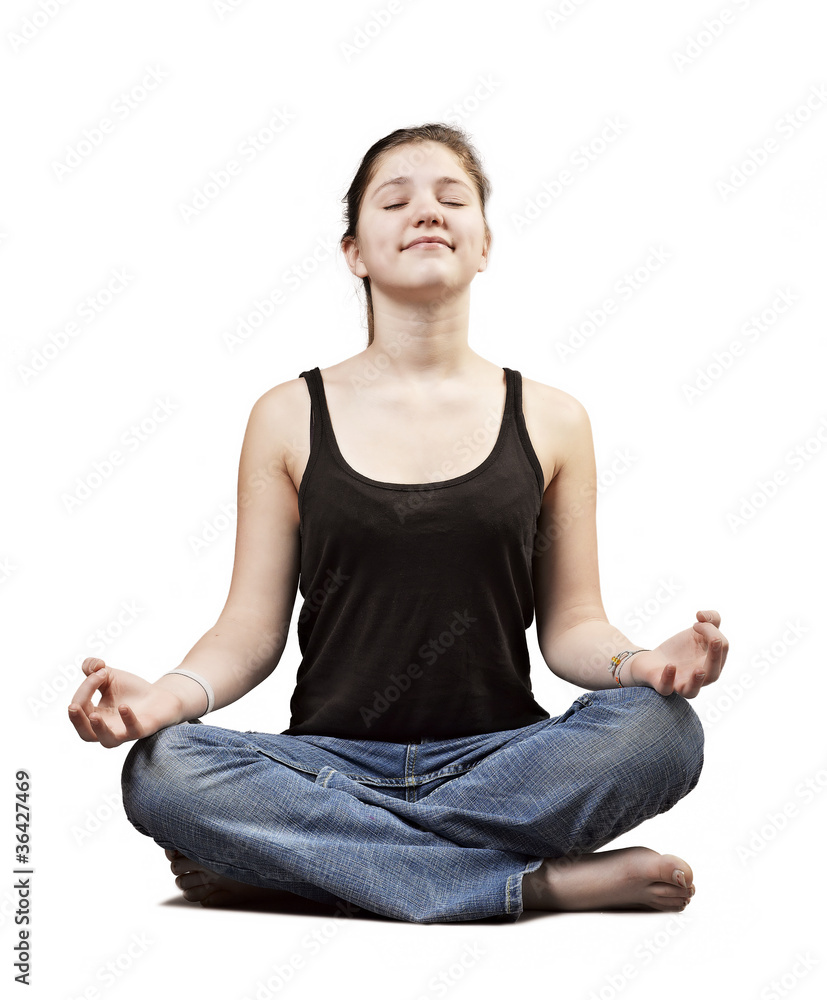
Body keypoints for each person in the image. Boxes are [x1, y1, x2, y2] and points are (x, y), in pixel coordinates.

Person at [67, 123, 728, 924]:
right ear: (354, 251)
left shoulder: (554, 419)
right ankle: (537, 882)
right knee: (163, 771)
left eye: (452, 199)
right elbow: (248, 631)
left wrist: (641, 665)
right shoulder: (286, 416)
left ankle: (301, 869)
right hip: (326, 766)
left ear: (484, 244)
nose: (427, 212)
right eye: (396, 200)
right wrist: (163, 701)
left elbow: (573, 627)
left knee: (664, 734)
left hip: (505, 762)